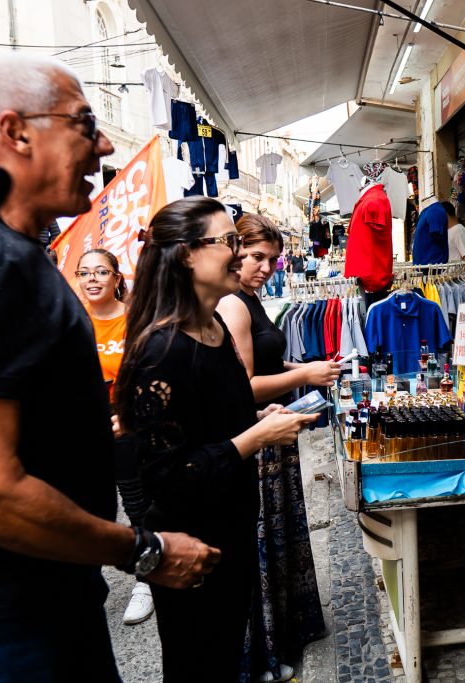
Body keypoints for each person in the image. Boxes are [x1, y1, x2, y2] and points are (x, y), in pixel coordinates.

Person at [0, 53, 216, 682]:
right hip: (4, 622)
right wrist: (142, 550)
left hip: (33, 603)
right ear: (15, 131)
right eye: (83, 122)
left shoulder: (10, 255)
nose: (101, 145)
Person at [114, 196, 320, 682]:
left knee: (226, 658)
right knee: (197, 667)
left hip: (233, 530)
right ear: (186, 254)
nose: (240, 252)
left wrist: (255, 414)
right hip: (190, 547)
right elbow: (170, 481)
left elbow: (209, 418)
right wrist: (254, 436)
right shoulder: (161, 350)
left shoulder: (214, 328)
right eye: (229, 241)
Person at [217, 214, 340, 680]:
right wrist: (304, 376)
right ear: (235, 252)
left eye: (272, 259)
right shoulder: (233, 305)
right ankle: (261, 654)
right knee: (262, 542)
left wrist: (306, 366)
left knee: (277, 536)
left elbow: (267, 359)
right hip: (258, 435)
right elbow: (242, 386)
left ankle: (280, 640)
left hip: (274, 430)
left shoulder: (251, 299)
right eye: (256, 257)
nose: (266, 267)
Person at [76, 248, 156, 627]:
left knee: (135, 499)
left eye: (100, 272)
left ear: (116, 279)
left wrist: (130, 413)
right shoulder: (71, 322)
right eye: (84, 272)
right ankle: (89, 580)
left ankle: (146, 576)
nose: (92, 279)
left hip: (128, 421)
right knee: (88, 502)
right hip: (84, 423)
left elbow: (150, 372)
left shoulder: (134, 320)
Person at [411, 199, 449, 265]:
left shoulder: (435, 211)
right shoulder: (426, 211)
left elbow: (436, 234)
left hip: (433, 266)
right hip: (426, 266)